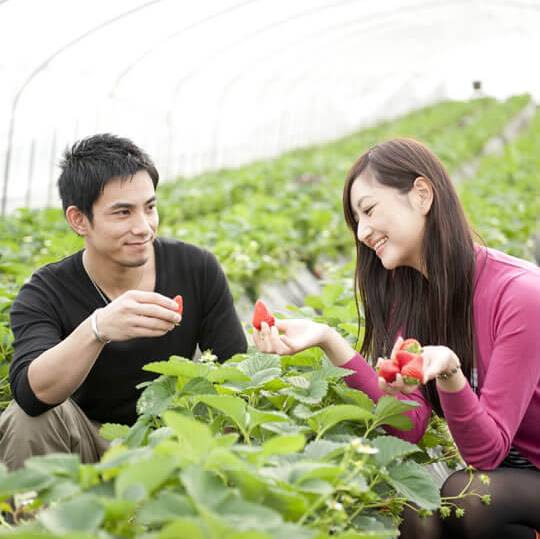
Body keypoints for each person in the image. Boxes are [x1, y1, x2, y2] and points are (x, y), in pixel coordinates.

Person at [253, 137, 540, 539]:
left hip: (524, 471)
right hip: (515, 476)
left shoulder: (520, 294)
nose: (365, 232)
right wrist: (329, 340)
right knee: (410, 508)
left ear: (421, 195)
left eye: (369, 210)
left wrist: (451, 374)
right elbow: (409, 426)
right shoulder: (410, 299)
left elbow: (487, 453)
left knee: (468, 499)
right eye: (357, 222)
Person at [0, 133, 247, 471]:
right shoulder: (45, 292)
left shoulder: (196, 267)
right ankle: (40, 521)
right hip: (89, 441)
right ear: (79, 220)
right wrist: (97, 329)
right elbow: (31, 393)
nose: (144, 227)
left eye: (150, 207)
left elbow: (237, 373)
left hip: (170, 436)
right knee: (28, 419)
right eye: (123, 213)